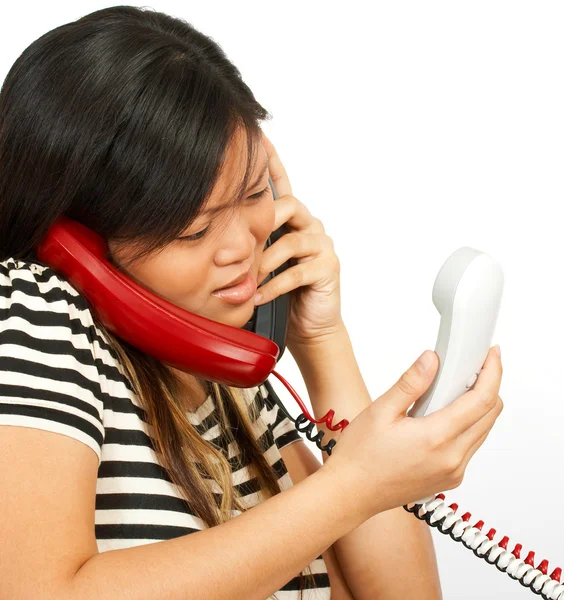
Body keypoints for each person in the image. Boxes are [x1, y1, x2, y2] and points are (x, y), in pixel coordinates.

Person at [0, 6, 504, 600]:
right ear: (77, 240)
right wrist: (351, 487)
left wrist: (322, 343)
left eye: (254, 190)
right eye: (193, 231)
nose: (243, 246)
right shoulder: (33, 310)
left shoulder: (234, 383)